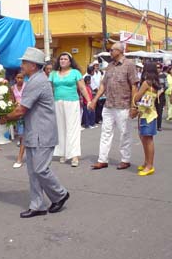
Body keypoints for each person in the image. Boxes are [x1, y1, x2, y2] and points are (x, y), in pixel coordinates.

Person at [0, 47, 69, 218]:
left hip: (42, 133)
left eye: (24, 62)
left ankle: (60, 194)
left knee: (40, 169)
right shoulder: (34, 80)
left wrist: (3, 117)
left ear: (33, 65)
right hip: (35, 131)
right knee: (33, 171)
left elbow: (21, 110)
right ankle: (37, 205)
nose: (21, 65)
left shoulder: (37, 81)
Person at [89, 42, 139, 170]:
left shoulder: (129, 65)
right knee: (105, 133)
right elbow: (103, 85)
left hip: (123, 105)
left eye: (112, 50)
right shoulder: (110, 66)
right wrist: (94, 100)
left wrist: (134, 106)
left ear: (120, 51)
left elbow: (134, 86)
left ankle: (125, 159)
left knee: (124, 133)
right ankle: (102, 159)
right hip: (109, 105)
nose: (110, 52)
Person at [49, 52, 92, 167]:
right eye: (61, 59)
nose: (62, 61)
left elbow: (82, 88)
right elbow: (49, 89)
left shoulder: (75, 73)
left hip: (72, 102)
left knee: (72, 128)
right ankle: (63, 153)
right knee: (60, 128)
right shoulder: (53, 74)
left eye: (65, 59)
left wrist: (89, 101)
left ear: (70, 61)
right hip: (57, 102)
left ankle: (74, 156)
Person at [132, 62, 159, 176]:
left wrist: (134, 93)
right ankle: (147, 162)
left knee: (147, 140)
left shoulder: (146, 83)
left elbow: (137, 97)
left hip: (147, 115)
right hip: (147, 112)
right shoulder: (154, 83)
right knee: (144, 138)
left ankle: (149, 165)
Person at [11, 72, 26, 169]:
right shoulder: (12, 88)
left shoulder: (27, 86)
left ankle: (19, 158)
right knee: (21, 134)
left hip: (26, 111)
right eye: (18, 77)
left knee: (23, 135)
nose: (19, 79)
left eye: (21, 78)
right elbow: (12, 99)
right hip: (17, 112)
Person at [155, 63, 167, 131]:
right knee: (153, 111)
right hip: (153, 95)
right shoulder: (153, 76)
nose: (158, 69)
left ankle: (159, 126)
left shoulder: (163, 76)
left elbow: (166, 85)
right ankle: (153, 125)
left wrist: (161, 91)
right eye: (156, 67)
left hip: (161, 96)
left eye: (159, 67)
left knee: (159, 111)